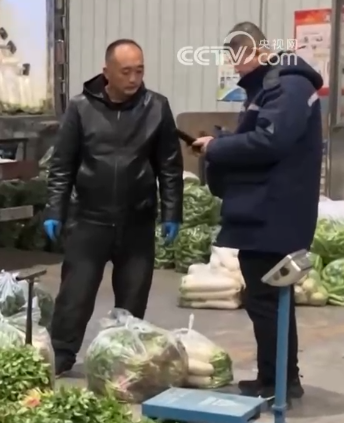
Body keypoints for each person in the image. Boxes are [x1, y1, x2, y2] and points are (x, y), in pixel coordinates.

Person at [192, 22, 321, 400]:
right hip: (265, 210)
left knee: (266, 301)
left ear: (262, 51)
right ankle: (278, 377)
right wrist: (223, 141)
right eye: (232, 58)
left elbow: (270, 141)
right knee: (269, 300)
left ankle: (278, 382)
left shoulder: (289, 86)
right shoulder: (271, 87)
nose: (236, 66)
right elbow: (263, 135)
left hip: (274, 213)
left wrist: (217, 148)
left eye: (241, 57)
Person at [42, 39, 184, 375]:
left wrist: (172, 213)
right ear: (107, 72)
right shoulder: (80, 108)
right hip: (90, 220)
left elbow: (169, 165)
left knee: (132, 301)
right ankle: (61, 356)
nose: (134, 79)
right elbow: (62, 165)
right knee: (75, 296)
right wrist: (54, 210)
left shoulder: (156, 107)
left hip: (137, 221)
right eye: (126, 72)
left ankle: (123, 362)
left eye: (139, 71)